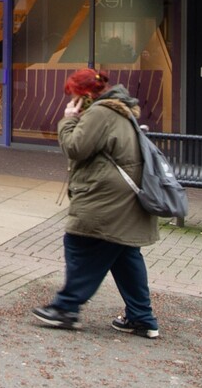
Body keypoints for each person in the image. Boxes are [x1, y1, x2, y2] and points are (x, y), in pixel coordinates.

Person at [33, 77, 161, 339]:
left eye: (73, 96)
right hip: (124, 201)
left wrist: (68, 119)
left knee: (80, 244)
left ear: (86, 95)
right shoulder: (119, 110)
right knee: (125, 254)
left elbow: (75, 147)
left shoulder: (101, 113)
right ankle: (141, 318)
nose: (70, 102)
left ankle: (65, 308)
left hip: (106, 200)